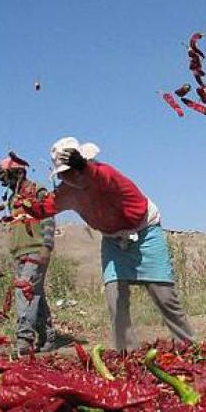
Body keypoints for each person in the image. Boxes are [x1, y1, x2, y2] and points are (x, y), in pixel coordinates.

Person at [24, 137, 194, 351]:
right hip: (113, 240)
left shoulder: (103, 173)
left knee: (164, 295)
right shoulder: (68, 191)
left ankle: (188, 346)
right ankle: (127, 353)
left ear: (83, 165)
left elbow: (102, 177)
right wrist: (23, 195)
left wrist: (84, 167)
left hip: (145, 232)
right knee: (115, 296)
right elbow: (43, 209)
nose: (71, 177)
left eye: (74, 170)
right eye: (65, 173)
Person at [0, 155, 57, 355]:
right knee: (35, 293)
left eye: (7, 176)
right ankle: (48, 337)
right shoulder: (13, 198)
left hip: (36, 250)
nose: (5, 182)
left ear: (19, 173)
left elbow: (48, 216)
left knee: (25, 292)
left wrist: (47, 246)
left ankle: (24, 340)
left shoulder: (36, 190)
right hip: (20, 253)